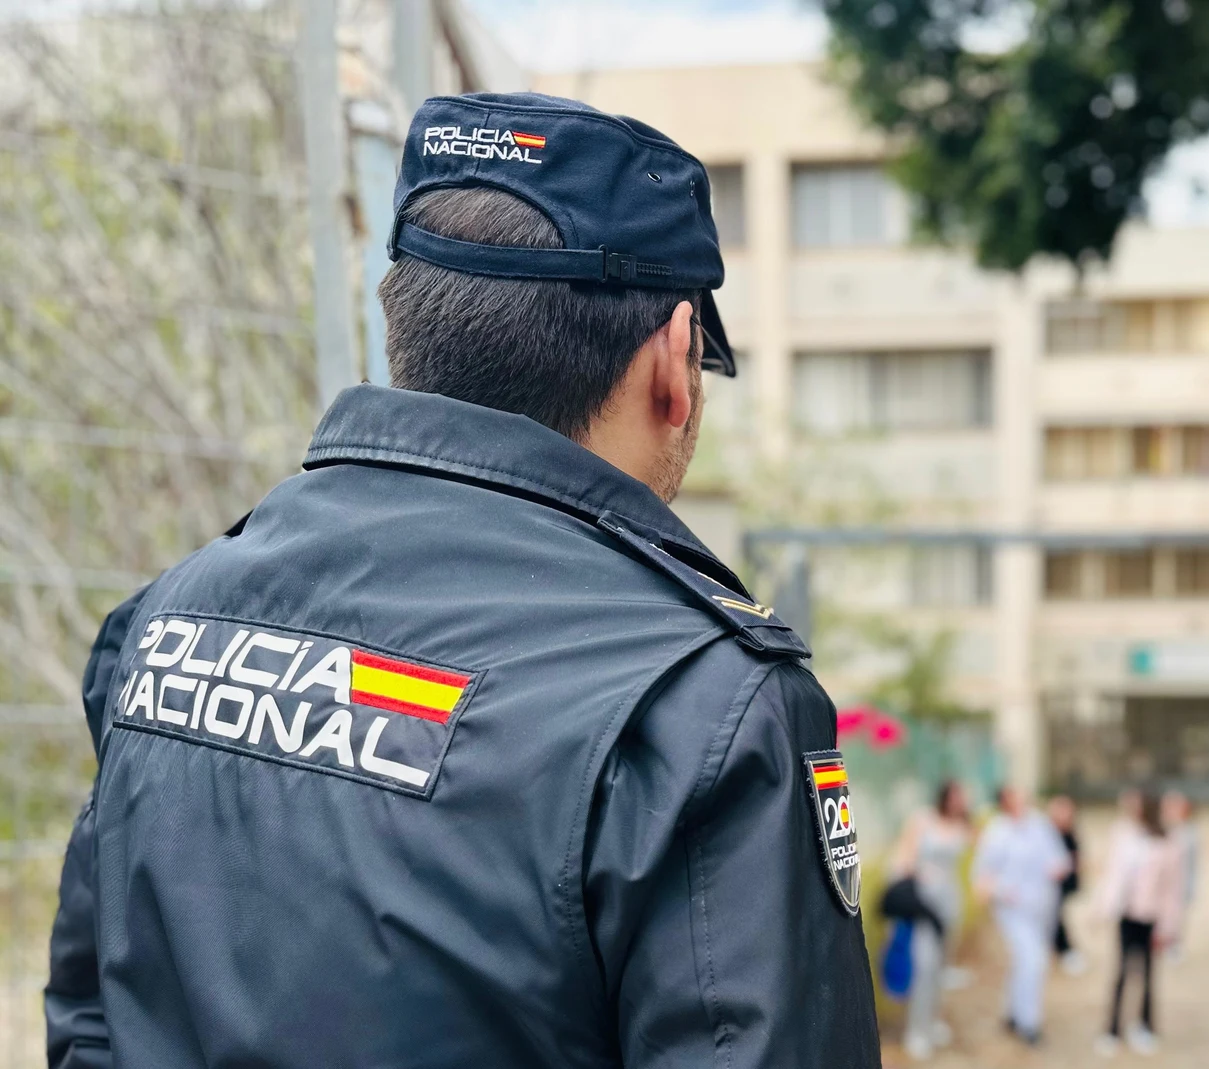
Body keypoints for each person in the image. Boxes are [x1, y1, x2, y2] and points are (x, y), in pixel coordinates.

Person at [43, 92, 880, 1068]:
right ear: (674, 357)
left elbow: (90, 1020)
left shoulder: (166, 618)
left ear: (403, 327)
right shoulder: (706, 711)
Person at [973, 785, 1071, 1046]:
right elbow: (983, 873)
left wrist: (1057, 868)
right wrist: (1001, 890)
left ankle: (1012, 1013)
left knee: (1025, 962)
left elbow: (1059, 858)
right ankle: (1030, 1022)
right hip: (1012, 909)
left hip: (1042, 905)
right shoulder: (996, 831)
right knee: (1032, 960)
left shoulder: (1039, 824)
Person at [1093, 790, 1184, 1057]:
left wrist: (1169, 927)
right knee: (1121, 971)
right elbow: (1113, 874)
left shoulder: (1168, 842)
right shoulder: (1123, 834)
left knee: (1147, 973)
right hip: (1126, 912)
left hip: (1150, 916)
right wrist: (1102, 908)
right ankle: (1112, 1029)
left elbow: (1172, 890)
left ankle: (1145, 1025)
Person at [886, 781, 972, 1061]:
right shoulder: (923, 818)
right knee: (925, 964)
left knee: (940, 968)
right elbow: (905, 855)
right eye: (959, 794)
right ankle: (916, 1031)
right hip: (924, 903)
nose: (963, 800)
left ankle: (931, 1021)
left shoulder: (963, 824)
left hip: (950, 901)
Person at [1048, 794, 1087, 975]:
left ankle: (1063, 949)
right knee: (1054, 916)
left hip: (1064, 880)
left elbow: (1076, 855)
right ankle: (1064, 949)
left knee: (1057, 915)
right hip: (1051, 881)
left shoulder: (1070, 831)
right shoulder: (1048, 832)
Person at [1161, 789, 1201, 961]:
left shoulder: (1190, 832)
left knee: (1177, 917)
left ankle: (1174, 944)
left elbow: (1192, 864)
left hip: (1180, 883)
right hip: (1162, 883)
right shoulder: (1161, 828)